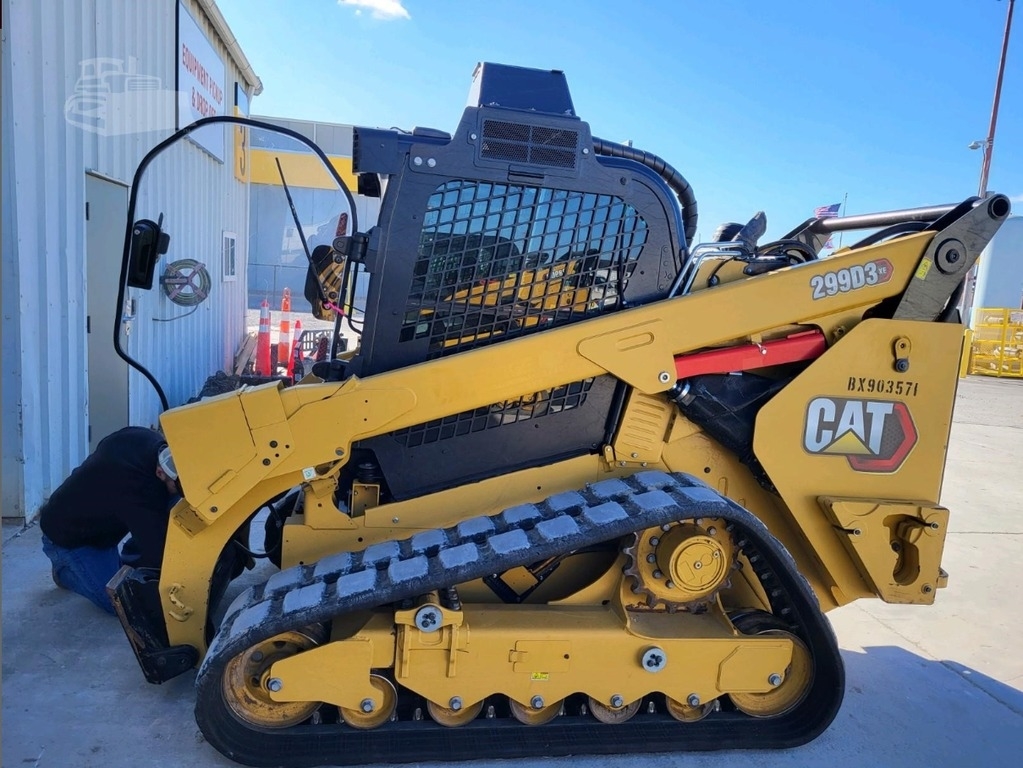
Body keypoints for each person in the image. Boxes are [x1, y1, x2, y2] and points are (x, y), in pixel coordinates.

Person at [39, 426, 179, 614]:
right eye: (175, 485)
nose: (179, 491)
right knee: (124, 606)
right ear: (161, 473)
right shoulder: (136, 489)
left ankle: (121, 565)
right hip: (70, 538)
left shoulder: (148, 439)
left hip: (101, 528)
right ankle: (65, 572)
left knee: (173, 503)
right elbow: (158, 551)